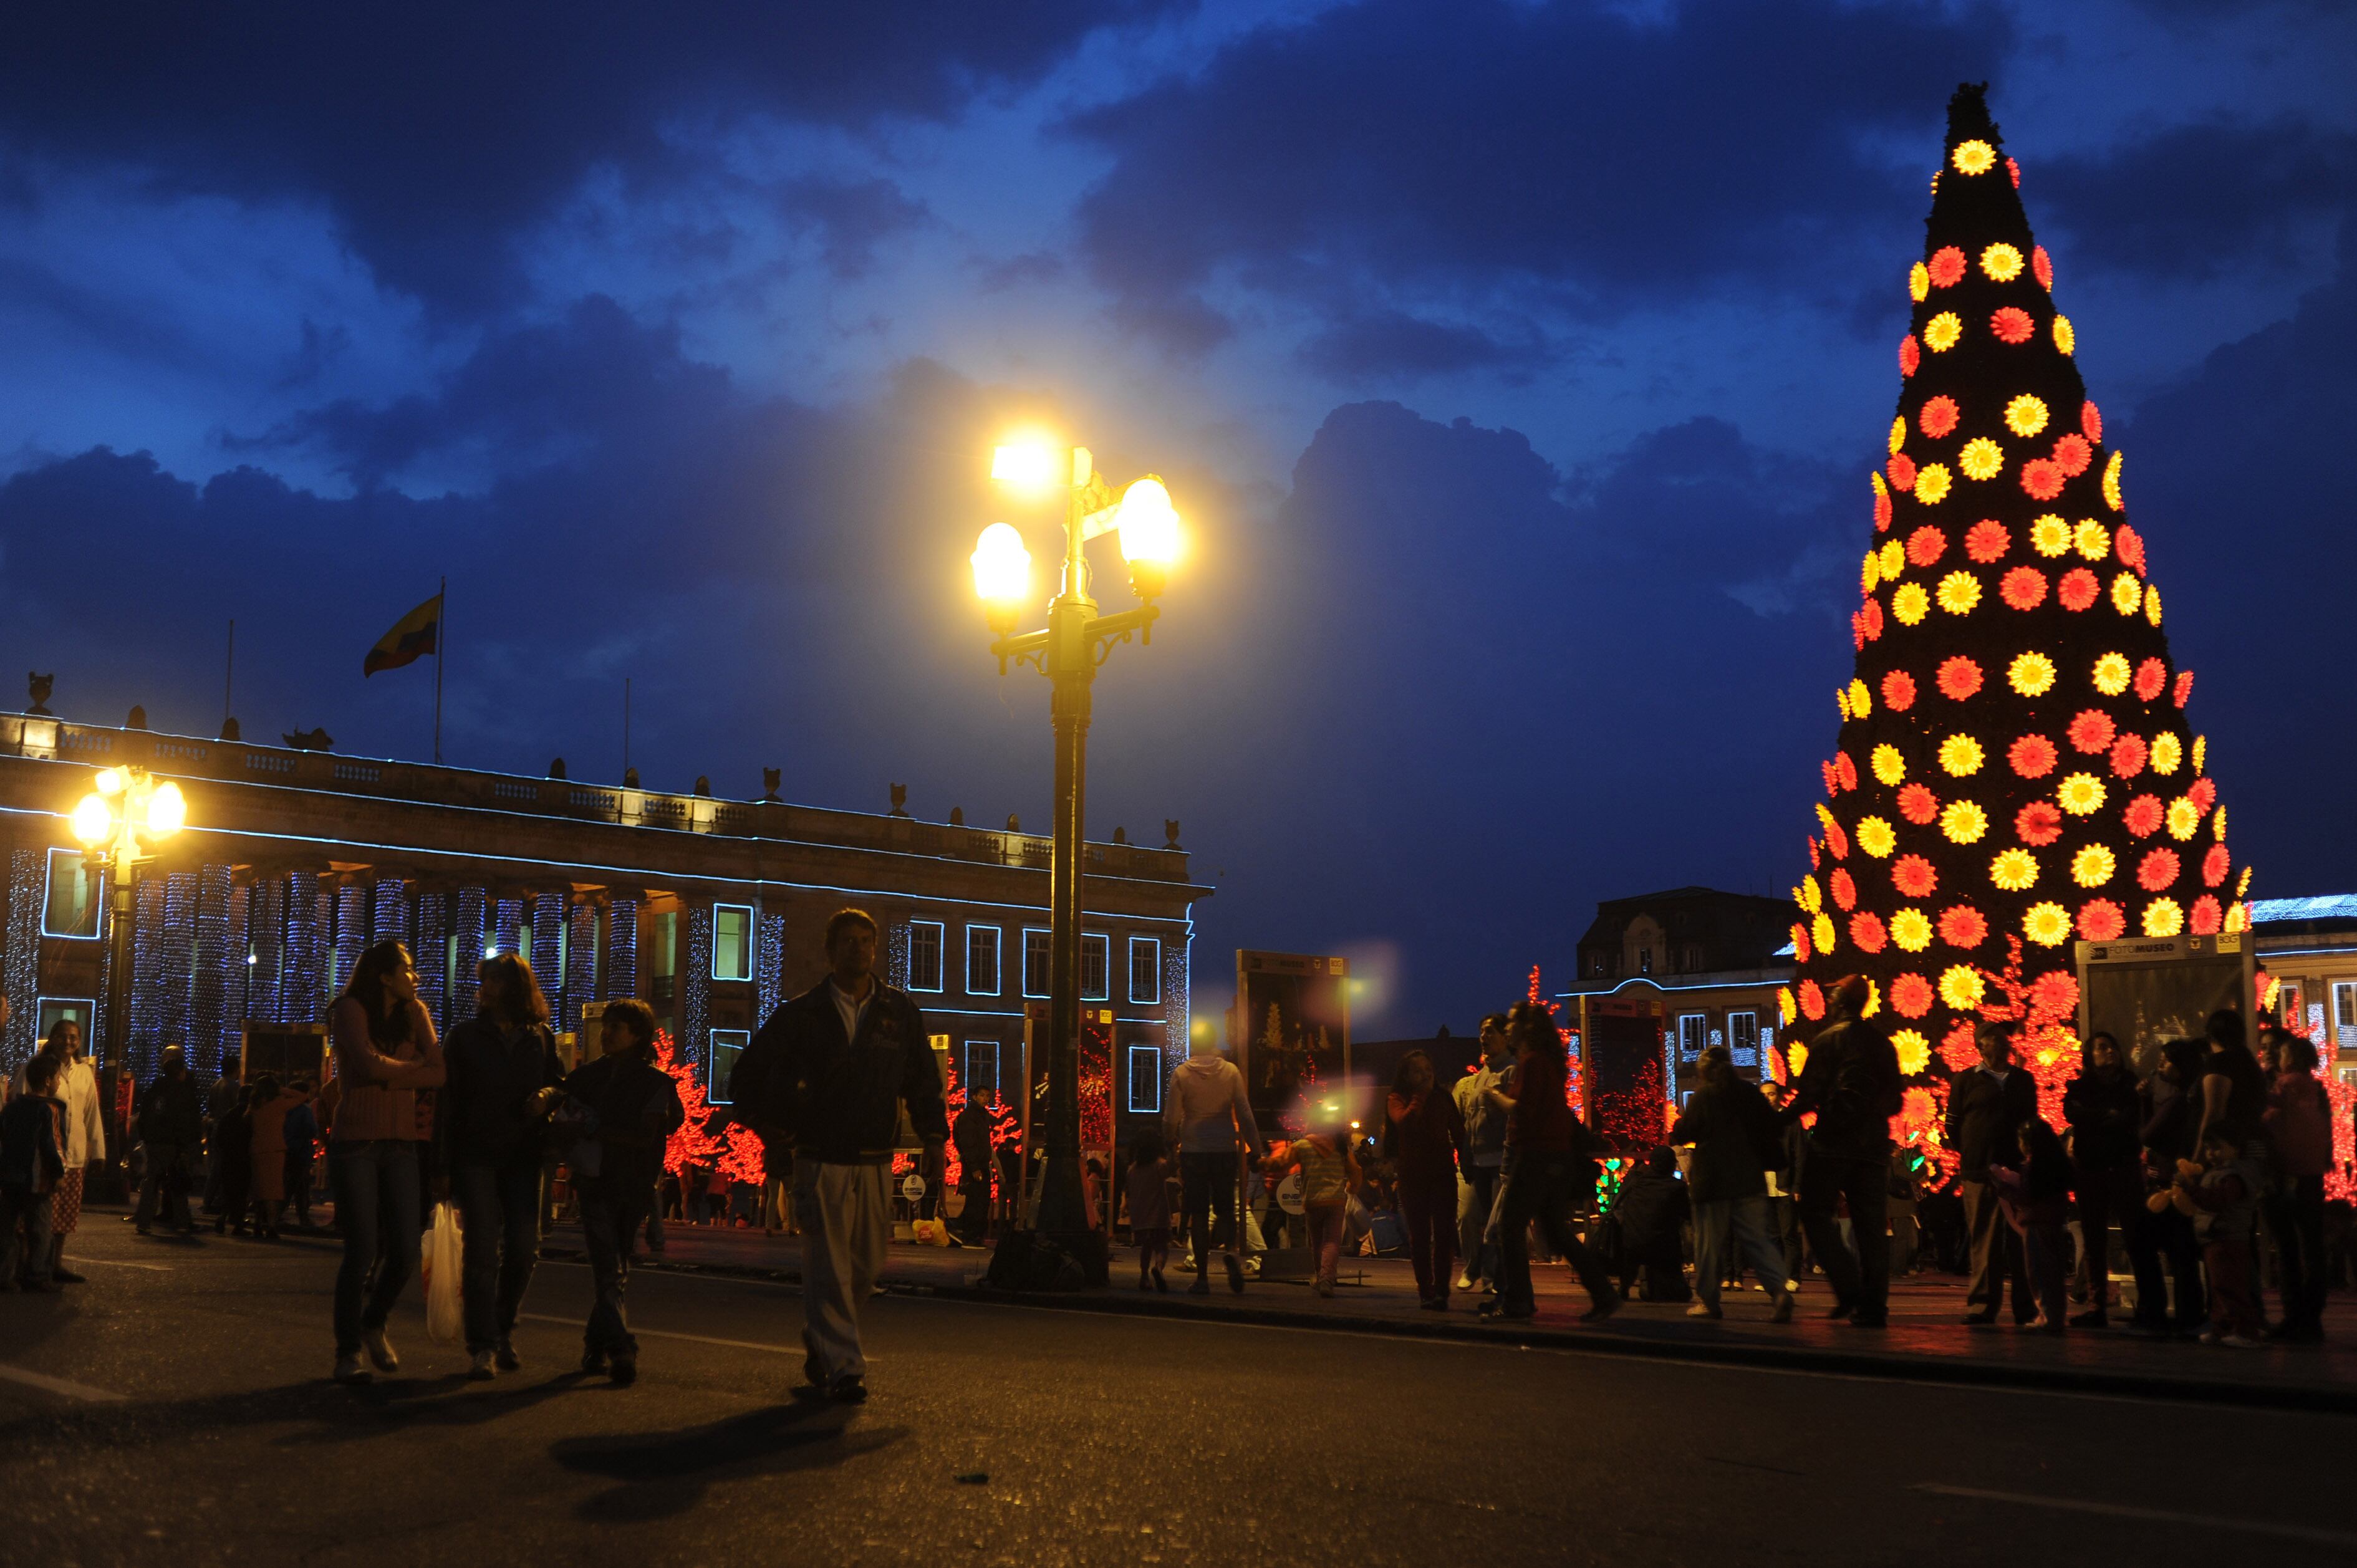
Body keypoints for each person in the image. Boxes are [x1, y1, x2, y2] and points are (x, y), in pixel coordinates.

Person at [729, 908, 945, 1404]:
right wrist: (771, 1126)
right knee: (828, 1261)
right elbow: (747, 1076)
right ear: (830, 951)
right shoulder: (800, 1014)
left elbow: (923, 1081)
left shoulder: (899, 1012)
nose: (858, 948)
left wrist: (934, 1137)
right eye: (847, 940)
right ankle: (846, 1365)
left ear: (875, 948)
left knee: (867, 1262)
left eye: (865, 939)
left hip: (874, 1154)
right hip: (819, 1153)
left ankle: (821, 1337)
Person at [440, 952, 565, 1380]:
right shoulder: (464, 1037)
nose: (487, 987)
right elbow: (447, 1103)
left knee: (524, 1250)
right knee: (480, 1252)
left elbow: (559, 1084)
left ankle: (503, 1325)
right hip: (476, 1153)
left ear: (516, 987)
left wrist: (547, 1097)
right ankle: (483, 1344)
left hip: (525, 1155)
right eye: (485, 979)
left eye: (496, 979)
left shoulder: (541, 1037)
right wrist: (442, 1164)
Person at [326, 940, 446, 1385]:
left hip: (401, 1142)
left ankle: (373, 1320)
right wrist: (410, 1067)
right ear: (383, 975)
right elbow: (366, 1065)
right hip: (355, 1139)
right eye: (407, 969)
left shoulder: (416, 1013)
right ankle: (347, 1351)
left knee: (407, 1249)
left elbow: (439, 1073)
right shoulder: (350, 1009)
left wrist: (391, 1070)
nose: (415, 977)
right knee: (360, 1249)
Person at [559, 999, 682, 1386]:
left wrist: (595, 1131)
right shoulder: (586, 1077)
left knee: (615, 1268)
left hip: (632, 1185)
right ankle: (621, 1347)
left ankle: (596, 1346)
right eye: (606, 1026)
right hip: (596, 1182)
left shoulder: (655, 1082)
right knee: (610, 1269)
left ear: (638, 1036)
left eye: (617, 1027)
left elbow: (651, 1134)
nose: (607, 1033)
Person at [1481, 1000, 1616, 1322]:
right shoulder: (1547, 1063)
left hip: (1534, 1155)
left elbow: (1524, 1109)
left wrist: (1494, 1095)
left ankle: (1519, 1300)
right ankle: (1603, 1293)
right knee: (1556, 1231)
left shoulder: (1532, 1063)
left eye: (1513, 1022)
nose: (1509, 1027)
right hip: (1554, 1155)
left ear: (1527, 1029)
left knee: (1510, 1227)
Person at [1781, 976, 1902, 1328]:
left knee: (1814, 1211)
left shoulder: (1828, 1041)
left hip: (1833, 1143)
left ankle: (1848, 1286)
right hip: (1873, 1147)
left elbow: (1808, 1095)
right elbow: (1895, 1098)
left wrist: (1777, 1120)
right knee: (1871, 1228)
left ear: (1839, 1003)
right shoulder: (1882, 1044)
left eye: (1832, 996)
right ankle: (1874, 1306)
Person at [1671, 1046, 1796, 1322]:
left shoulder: (1705, 1096)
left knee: (1709, 1244)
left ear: (1704, 1071)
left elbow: (1687, 1131)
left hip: (1712, 1179)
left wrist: (1678, 1130)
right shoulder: (1750, 1093)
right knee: (1758, 1240)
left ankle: (1708, 1300)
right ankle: (1778, 1292)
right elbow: (1773, 1127)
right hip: (1749, 1177)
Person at [1947, 1021, 2036, 1326]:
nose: (2002, 1043)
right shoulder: (1965, 1081)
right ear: (1980, 1045)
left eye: (2004, 1038)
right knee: (1983, 1239)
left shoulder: (2023, 1080)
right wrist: (1973, 1152)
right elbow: (1953, 1127)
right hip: (1979, 1171)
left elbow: (2031, 1123)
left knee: (2021, 1239)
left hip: (2015, 1173)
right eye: (1993, 1038)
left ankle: (2027, 1307)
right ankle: (1982, 1306)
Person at [1162, 1042, 1263, 1295]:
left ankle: (1203, 1278)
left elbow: (1171, 1117)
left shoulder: (1181, 1073)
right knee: (1226, 1208)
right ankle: (1230, 1252)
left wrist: (1169, 1143)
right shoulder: (1231, 1072)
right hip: (1224, 1149)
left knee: (1198, 1214)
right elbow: (1245, 1113)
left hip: (1193, 1150)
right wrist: (1256, 1150)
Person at [9, 1019, 102, 1285]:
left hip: (73, 1153)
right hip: (40, 1156)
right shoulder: (35, 1067)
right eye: (63, 1036)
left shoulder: (85, 1072)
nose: (69, 1042)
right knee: (34, 1214)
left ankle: (55, 1264)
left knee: (64, 1216)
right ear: (52, 1038)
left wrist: (98, 1152)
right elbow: (20, 1103)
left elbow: (91, 1114)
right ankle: (28, 1265)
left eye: (74, 1037)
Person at [2124, 1039, 2207, 1336]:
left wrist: (2143, 1105)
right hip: (2179, 1182)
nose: (2160, 1066)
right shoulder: (2191, 1097)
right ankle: (2188, 1314)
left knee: (2146, 1243)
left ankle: (2155, 1311)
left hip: (2170, 1185)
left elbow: (2148, 1134)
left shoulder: (2179, 1101)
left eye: (2166, 1061)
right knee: (2180, 1251)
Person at [2061, 1031, 2140, 1327]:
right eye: (2102, 1048)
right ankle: (2097, 1304)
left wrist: (2092, 1117)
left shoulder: (2130, 1084)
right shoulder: (2081, 1087)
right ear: (2090, 1056)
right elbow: (2072, 1113)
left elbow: (2128, 1117)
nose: (2110, 1053)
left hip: (2122, 1167)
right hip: (2092, 1169)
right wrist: (2106, 1115)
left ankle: (2147, 1304)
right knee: (2094, 1240)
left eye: (2112, 1047)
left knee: (2135, 1235)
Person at [2261, 1031, 2333, 1343]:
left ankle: (2293, 1315)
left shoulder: (2283, 1085)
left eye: (2282, 1053)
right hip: (2312, 1175)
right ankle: (2312, 1317)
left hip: (2283, 1172)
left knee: (2287, 1246)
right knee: (2312, 1246)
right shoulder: (2317, 1088)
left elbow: (2269, 1120)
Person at [2162, 1129, 2264, 1347]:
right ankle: (2222, 1327)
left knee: (2231, 1287)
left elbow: (2217, 1200)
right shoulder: (2219, 1172)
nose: (2211, 1153)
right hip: (2214, 1236)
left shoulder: (2233, 1176)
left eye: (2217, 1148)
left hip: (2228, 1237)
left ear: (2235, 1148)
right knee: (2218, 1287)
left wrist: (2192, 1190)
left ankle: (2246, 1331)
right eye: (2208, 1148)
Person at [1384, 1049, 1466, 1309]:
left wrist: (1467, 1162)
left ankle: (1442, 1291)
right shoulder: (1397, 1098)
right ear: (1407, 1075)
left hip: (1442, 1174)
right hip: (1412, 1176)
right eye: (1418, 1071)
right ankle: (1426, 1292)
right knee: (1419, 1236)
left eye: (1428, 1070)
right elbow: (1404, 1123)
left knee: (1445, 1234)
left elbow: (1459, 1132)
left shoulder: (1443, 1098)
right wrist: (1420, 1096)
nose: (1425, 1075)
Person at [1261, 1111, 1361, 1297]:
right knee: (1332, 1242)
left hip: (1313, 1201)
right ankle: (1327, 1279)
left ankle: (1319, 1276)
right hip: (1336, 1200)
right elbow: (1355, 1170)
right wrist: (1353, 1187)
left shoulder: (1302, 1146)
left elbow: (1280, 1163)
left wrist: (1262, 1164)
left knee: (1316, 1242)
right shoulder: (1340, 1147)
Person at [1991, 1116, 2073, 1333]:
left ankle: (2048, 1316)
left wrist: (2002, 1186)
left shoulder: (2035, 1167)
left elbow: (2026, 1196)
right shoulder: (2056, 1164)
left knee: (2039, 1271)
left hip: (2036, 1224)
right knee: (2054, 1272)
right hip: (2054, 1222)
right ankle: (2055, 1314)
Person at [1452, 1015, 1512, 1292]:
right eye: (1481, 1032)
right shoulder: (1481, 1075)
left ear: (1505, 1036)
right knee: (1470, 1216)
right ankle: (1477, 1267)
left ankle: (1491, 1277)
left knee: (1495, 1225)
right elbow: (1468, 1120)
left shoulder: (1511, 1070)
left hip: (1501, 1159)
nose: (1484, 1037)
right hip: (1478, 1161)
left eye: (1490, 1031)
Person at [1, 1049, 66, 1291]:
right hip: (37, 1181)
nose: (59, 1082)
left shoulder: (12, 1107)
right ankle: (37, 1276)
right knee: (39, 1230)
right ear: (48, 1081)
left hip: (9, 1178)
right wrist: (59, 1173)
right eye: (58, 1078)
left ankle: (5, 1277)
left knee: (6, 1230)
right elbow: (53, 1145)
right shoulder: (50, 1110)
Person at [133, 1044, 205, 1236]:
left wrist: (146, 1138)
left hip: (154, 1143)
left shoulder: (156, 1089)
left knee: (151, 1182)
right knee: (177, 1182)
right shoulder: (184, 1093)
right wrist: (188, 1144)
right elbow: (187, 1121)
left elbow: (145, 1116)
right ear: (180, 1071)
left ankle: (144, 1221)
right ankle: (182, 1221)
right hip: (174, 1143)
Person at [1609, 1146, 1690, 1302]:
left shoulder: (1635, 1182)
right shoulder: (1677, 1187)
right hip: (1664, 1246)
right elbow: (1687, 1214)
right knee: (1683, 1294)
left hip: (1632, 1242)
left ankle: (1624, 1287)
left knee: (1634, 1252)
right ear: (1671, 1165)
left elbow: (1617, 1205)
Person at [2194, 1008, 2265, 1158]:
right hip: (2252, 1144)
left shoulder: (2219, 1063)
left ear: (2211, 1035)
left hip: (2225, 1150)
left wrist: (2198, 1158)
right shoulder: (2249, 1062)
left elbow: (2214, 1113)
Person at [246, 1074, 309, 1239]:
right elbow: (303, 1096)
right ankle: (272, 1226)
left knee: (259, 1189)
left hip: (257, 1149)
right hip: (275, 1150)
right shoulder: (278, 1104)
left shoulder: (254, 1106)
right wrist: (282, 1089)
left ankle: (258, 1224)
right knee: (273, 1191)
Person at [1763, 1080, 1808, 1284]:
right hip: (1763, 1183)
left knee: (1788, 1233)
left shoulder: (1791, 1121)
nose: (1767, 1099)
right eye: (1763, 1095)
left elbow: (1800, 1154)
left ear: (1779, 1096)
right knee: (1770, 1234)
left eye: (1771, 1094)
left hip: (1785, 1183)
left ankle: (1792, 1276)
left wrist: (1798, 1185)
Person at [1126, 1132, 1172, 1291]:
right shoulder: (1159, 1165)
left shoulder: (1132, 1169)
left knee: (1146, 1248)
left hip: (1140, 1217)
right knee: (1162, 1247)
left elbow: (1130, 1192)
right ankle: (1158, 1268)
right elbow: (1171, 1169)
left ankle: (1144, 1277)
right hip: (1158, 1215)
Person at [950, 1092, 994, 1244]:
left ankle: (969, 1232)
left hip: (978, 1163)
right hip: (975, 1165)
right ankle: (970, 1234)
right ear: (975, 1097)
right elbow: (968, 1142)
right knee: (977, 1201)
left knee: (979, 1201)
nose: (986, 1099)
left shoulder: (981, 1116)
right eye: (982, 1096)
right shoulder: (971, 1116)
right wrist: (974, 1167)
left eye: (988, 1096)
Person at [203, 1051, 243, 1215]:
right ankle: (214, 1202)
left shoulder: (215, 1086)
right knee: (223, 1168)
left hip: (215, 1130)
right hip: (228, 1132)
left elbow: (210, 1109)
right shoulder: (234, 1087)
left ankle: (210, 1200)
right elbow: (237, 1109)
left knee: (215, 1167)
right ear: (235, 1068)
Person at [281, 1082, 320, 1231]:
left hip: (285, 1148)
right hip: (301, 1150)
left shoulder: (283, 1107)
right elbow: (312, 1129)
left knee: (288, 1182)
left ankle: (278, 1213)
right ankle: (302, 1216)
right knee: (300, 1184)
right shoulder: (305, 1110)